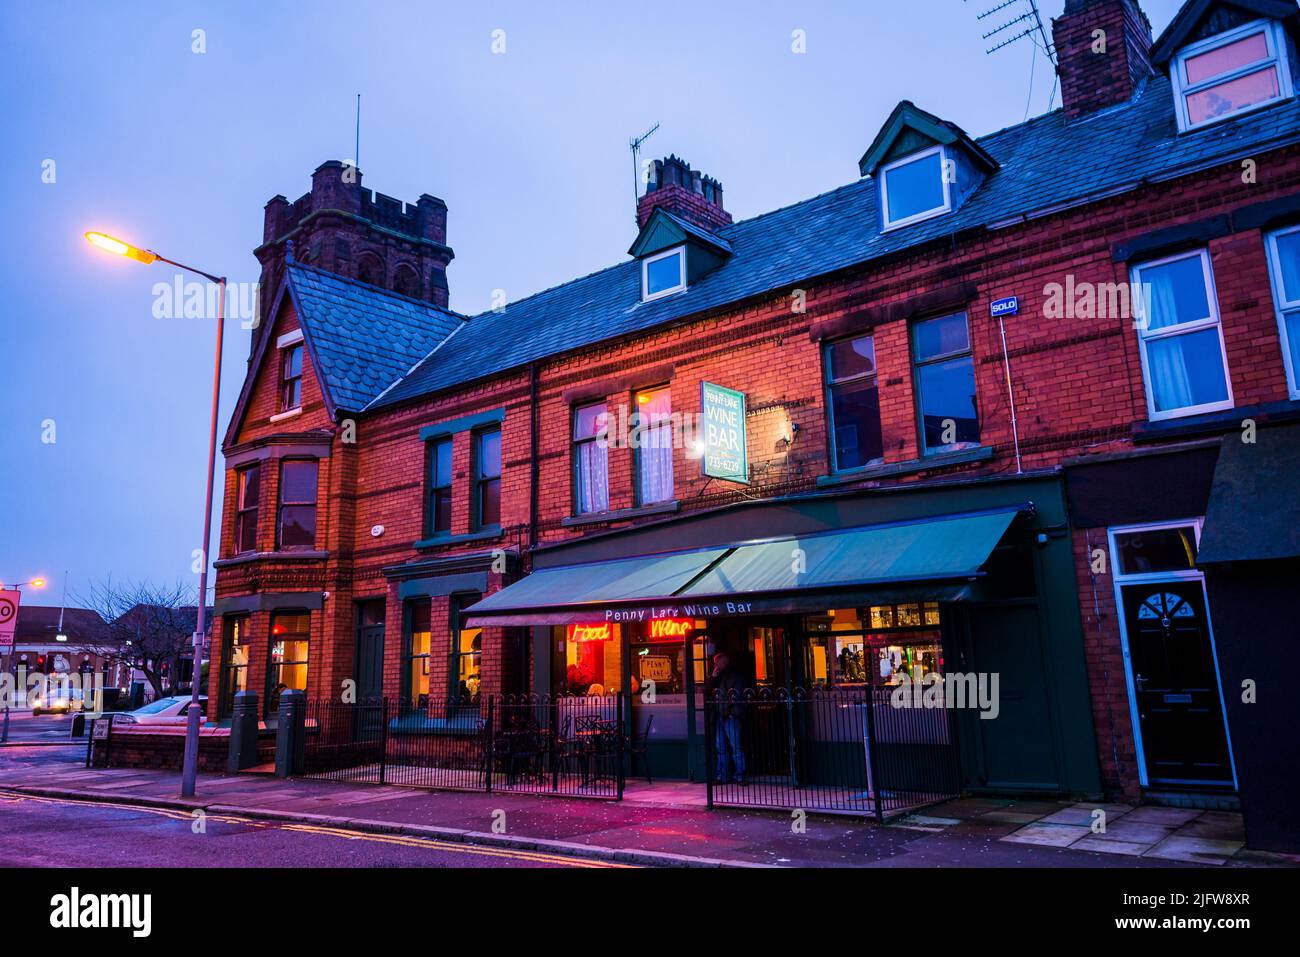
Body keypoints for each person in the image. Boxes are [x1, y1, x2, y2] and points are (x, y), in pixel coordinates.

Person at [704, 652, 747, 785]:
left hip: (730, 716)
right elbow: (708, 691)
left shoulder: (734, 675)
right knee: (720, 748)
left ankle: (740, 776)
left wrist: (728, 712)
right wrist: (713, 678)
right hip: (720, 716)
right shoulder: (718, 676)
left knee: (736, 748)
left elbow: (734, 695)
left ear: (724, 662)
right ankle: (722, 776)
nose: (715, 665)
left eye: (717, 663)